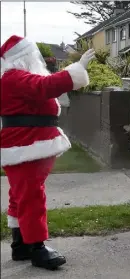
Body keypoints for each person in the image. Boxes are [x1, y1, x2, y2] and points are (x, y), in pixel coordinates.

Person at [1, 35, 95, 269]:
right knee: (31, 196)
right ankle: (37, 248)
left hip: (26, 145)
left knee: (21, 195)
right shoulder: (14, 77)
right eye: (34, 55)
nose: (39, 59)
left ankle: (20, 245)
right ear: (23, 57)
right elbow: (45, 86)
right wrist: (77, 70)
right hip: (25, 145)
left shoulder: (14, 77)